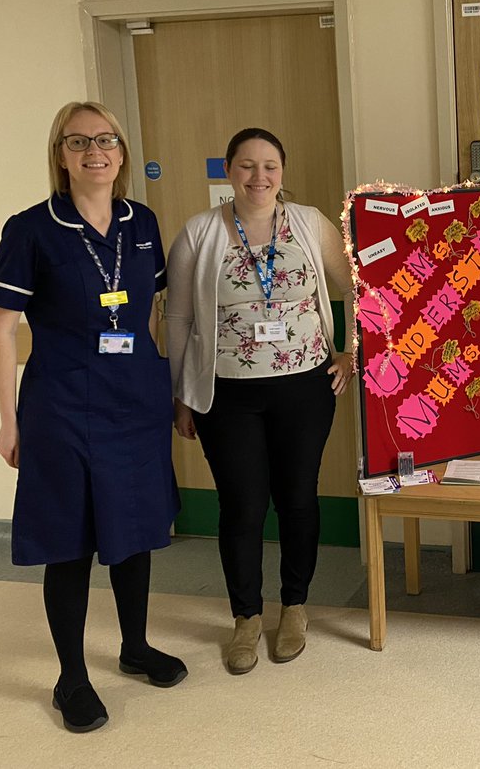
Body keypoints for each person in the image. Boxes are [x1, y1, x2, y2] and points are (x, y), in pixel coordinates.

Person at [0, 101, 185, 734]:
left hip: (136, 401)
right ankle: (71, 677)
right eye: (78, 142)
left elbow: (154, 308)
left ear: (122, 153)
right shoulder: (30, 228)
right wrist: (8, 419)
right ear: (61, 155)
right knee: (67, 543)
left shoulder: (142, 221)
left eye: (106, 140)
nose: (93, 152)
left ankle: (134, 646)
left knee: (135, 529)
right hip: (63, 404)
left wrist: (167, 385)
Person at [167, 127, 353, 674]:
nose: (259, 176)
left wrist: (352, 353)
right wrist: (181, 394)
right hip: (225, 394)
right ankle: (246, 617)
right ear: (229, 171)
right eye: (247, 166)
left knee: (298, 500)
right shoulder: (201, 232)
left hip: (305, 386)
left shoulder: (312, 224)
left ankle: (294, 608)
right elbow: (176, 315)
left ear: (283, 171)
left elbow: (361, 288)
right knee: (243, 507)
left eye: (269, 165)